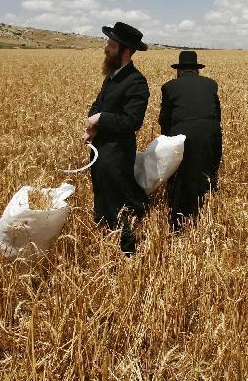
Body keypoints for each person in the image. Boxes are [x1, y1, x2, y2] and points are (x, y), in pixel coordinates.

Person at [83, 22, 150, 254]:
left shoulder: (137, 82)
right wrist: (91, 125)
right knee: (103, 199)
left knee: (120, 204)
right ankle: (108, 247)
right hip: (101, 151)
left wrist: (100, 119)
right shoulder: (111, 77)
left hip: (117, 155)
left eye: (111, 45)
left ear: (126, 52)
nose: (105, 48)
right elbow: (97, 105)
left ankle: (129, 254)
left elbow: (132, 122)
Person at [158, 51, 222, 232]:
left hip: (183, 134)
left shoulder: (169, 87)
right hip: (211, 133)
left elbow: (165, 119)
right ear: (197, 70)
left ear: (179, 71)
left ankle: (179, 223)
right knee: (207, 172)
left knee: (180, 177)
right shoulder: (211, 85)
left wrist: (168, 142)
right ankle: (204, 214)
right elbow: (217, 115)